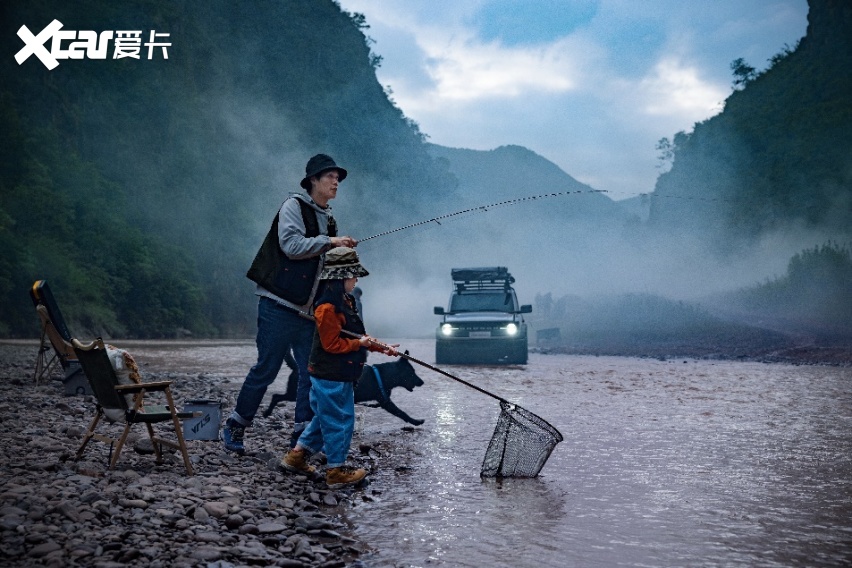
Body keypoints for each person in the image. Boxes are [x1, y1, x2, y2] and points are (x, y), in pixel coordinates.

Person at [223, 154, 357, 455]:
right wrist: (331, 242)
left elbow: (324, 266)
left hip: (309, 312)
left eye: (338, 178)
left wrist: (343, 263)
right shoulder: (293, 206)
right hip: (278, 304)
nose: (336, 182)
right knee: (266, 369)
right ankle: (235, 425)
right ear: (313, 181)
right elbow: (292, 246)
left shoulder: (329, 219)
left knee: (310, 373)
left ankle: (300, 440)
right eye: (330, 177)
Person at [282, 247, 399, 487]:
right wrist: (360, 343)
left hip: (340, 374)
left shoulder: (346, 301)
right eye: (353, 275)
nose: (356, 279)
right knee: (341, 419)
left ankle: (296, 457)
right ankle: (335, 471)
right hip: (330, 375)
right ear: (341, 277)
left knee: (325, 417)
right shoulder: (326, 309)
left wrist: (381, 347)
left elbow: (357, 336)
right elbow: (332, 344)